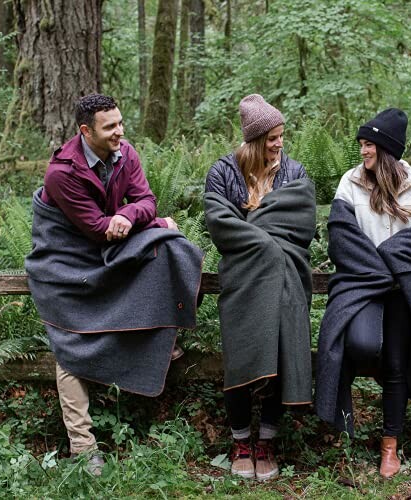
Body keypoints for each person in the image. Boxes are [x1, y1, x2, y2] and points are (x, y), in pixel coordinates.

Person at [25, 94, 203, 475]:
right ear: (85, 131)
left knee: (176, 248)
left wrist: (131, 214)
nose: (120, 132)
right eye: (110, 127)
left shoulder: (125, 153)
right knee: (70, 343)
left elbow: (146, 200)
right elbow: (95, 230)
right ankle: (83, 446)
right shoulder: (61, 173)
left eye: (121, 123)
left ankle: (163, 333)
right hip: (64, 261)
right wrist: (153, 223)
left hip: (108, 242)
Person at [315, 108, 411, 479]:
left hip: (404, 292)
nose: (363, 151)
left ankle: (389, 446)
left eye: (369, 144)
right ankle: (345, 424)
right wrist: (385, 267)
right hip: (361, 285)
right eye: (361, 143)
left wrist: (389, 259)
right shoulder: (350, 183)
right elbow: (342, 239)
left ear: (387, 149)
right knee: (357, 344)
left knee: (395, 364)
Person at [204, 94, 316, 481]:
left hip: (287, 275)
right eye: (271, 138)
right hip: (243, 277)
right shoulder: (223, 173)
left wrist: (254, 226)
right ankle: (240, 440)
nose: (279, 144)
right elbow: (220, 225)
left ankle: (266, 440)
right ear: (253, 139)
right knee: (242, 350)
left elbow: (302, 224)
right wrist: (265, 237)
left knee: (281, 350)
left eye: (282, 136)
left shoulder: (295, 173)